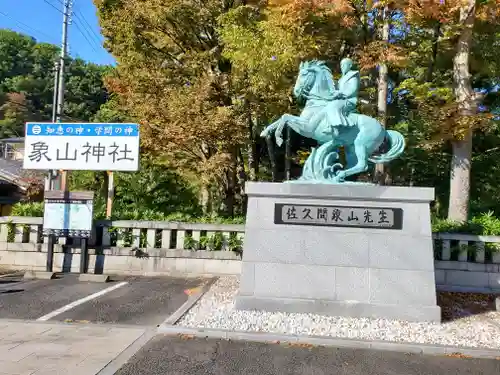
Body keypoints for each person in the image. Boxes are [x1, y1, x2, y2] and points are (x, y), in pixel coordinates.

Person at [326, 58, 360, 128]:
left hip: (349, 100)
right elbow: (338, 89)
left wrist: (339, 93)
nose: (341, 67)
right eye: (341, 65)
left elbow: (352, 89)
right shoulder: (342, 78)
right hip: (341, 99)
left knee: (333, 106)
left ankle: (338, 125)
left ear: (350, 65)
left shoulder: (352, 76)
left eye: (344, 65)